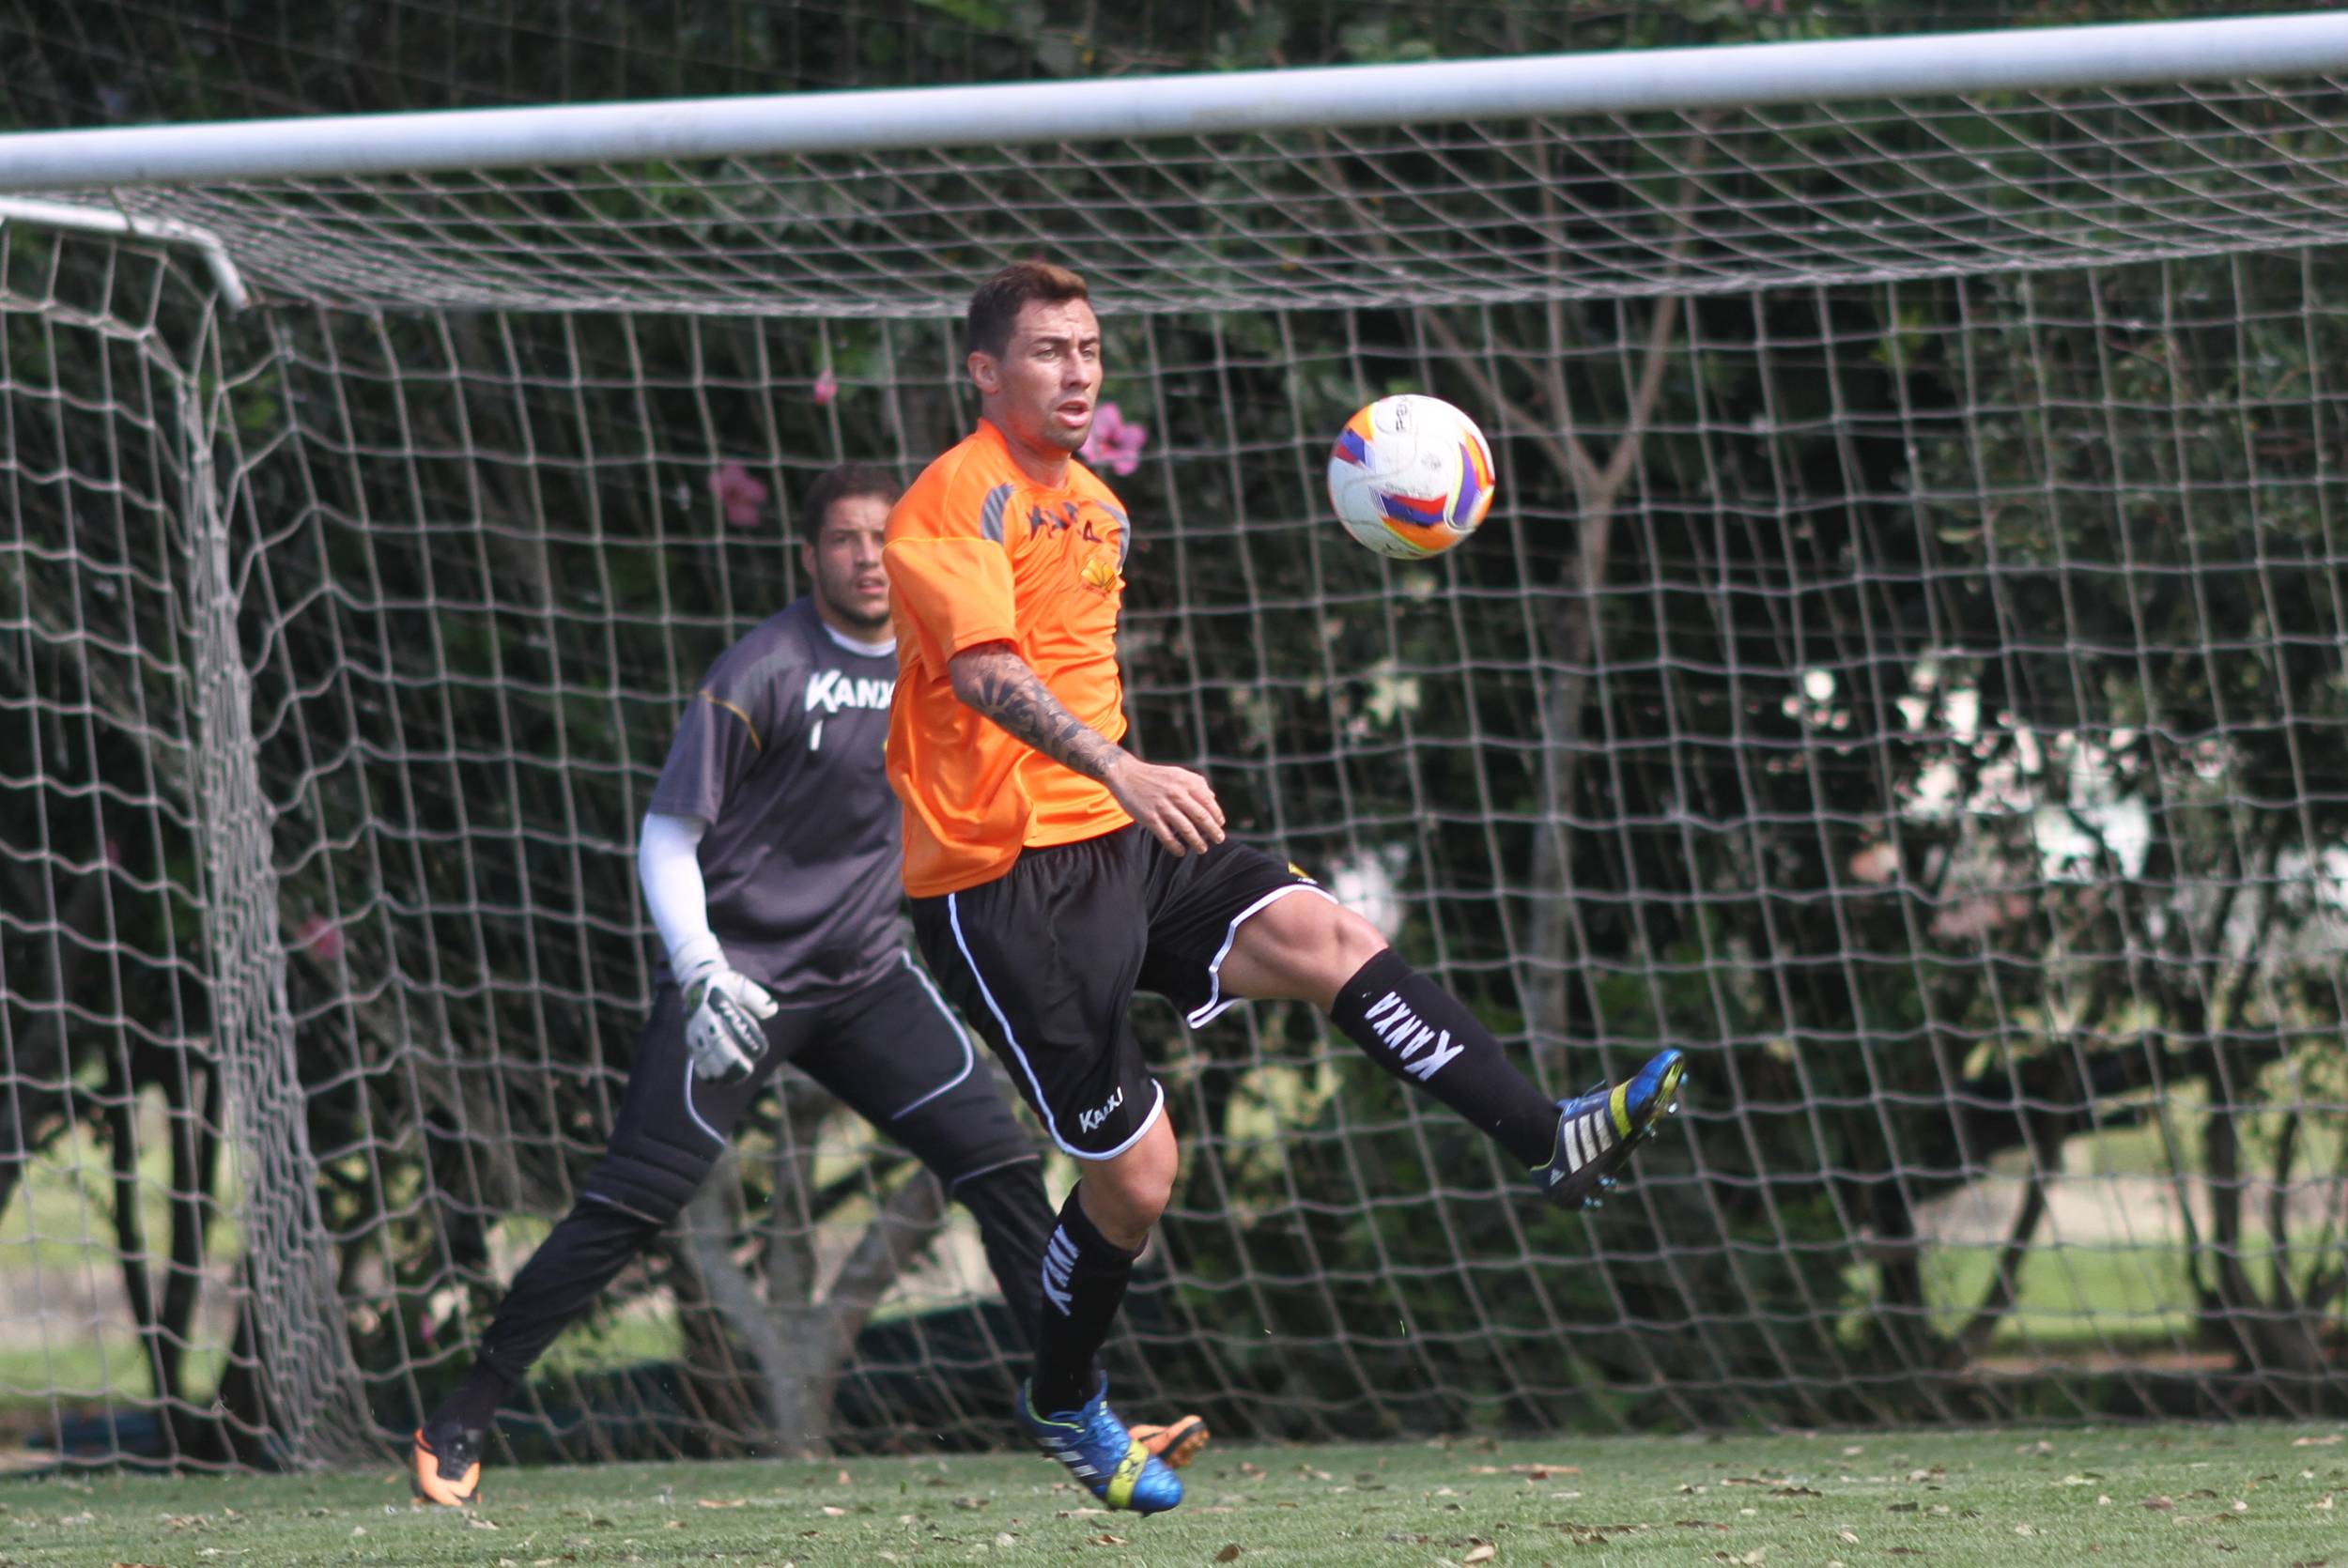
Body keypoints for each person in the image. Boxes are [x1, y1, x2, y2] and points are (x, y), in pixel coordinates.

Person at [883, 263, 1688, 1516]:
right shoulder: (952, 498)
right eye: (1046, 351)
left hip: (1123, 839)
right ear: (985, 371)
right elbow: (987, 673)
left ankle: (1551, 1139)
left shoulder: (1096, 505)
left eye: (1088, 348)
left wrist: (1123, 787)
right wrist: (1121, 765)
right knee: (1137, 1180)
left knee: (1325, 933)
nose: (1077, 371)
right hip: (1001, 884)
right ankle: (1063, 1397)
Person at [410, 463, 1207, 1506]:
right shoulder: (766, 667)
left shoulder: (954, 660)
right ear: (809, 555)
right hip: (740, 983)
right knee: (633, 1199)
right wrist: (699, 968)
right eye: (843, 539)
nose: (869, 558)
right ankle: (460, 1418)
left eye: (884, 537)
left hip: (868, 976)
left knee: (1003, 1166)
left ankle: (1084, 1412)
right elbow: (666, 833)